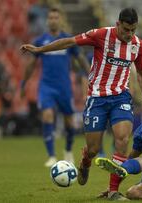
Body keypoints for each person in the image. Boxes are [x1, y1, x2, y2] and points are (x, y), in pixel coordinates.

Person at [20, 8, 142, 200]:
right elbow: (69, 41)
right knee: (93, 149)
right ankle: (85, 162)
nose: (129, 34)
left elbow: (141, 70)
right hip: (97, 98)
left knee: (122, 139)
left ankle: (113, 190)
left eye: (133, 30)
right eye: (125, 30)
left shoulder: (138, 45)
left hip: (121, 97)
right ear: (117, 24)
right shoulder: (100, 35)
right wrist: (40, 50)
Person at [20, 7, 90, 167]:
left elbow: (80, 59)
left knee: (69, 122)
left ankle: (68, 151)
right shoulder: (40, 41)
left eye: (55, 18)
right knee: (47, 116)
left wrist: (90, 75)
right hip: (46, 86)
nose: (53, 20)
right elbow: (31, 65)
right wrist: (23, 83)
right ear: (47, 20)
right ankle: (51, 156)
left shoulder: (68, 40)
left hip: (64, 87)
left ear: (60, 20)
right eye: (50, 18)